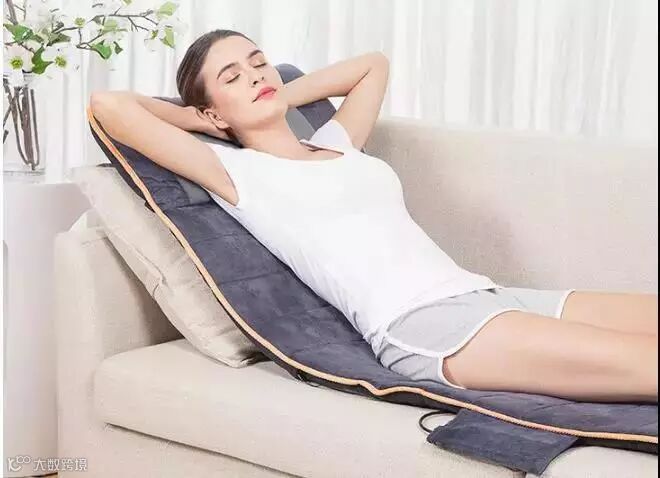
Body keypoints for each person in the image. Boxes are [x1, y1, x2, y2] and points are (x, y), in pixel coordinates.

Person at [90, 29, 658, 404]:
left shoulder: (338, 143)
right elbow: (108, 107)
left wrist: (278, 95)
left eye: (259, 63)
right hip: (427, 328)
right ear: (212, 110)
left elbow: (371, 65)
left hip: (488, 294)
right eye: (233, 77)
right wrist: (203, 121)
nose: (257, 75)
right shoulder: (235, 173)